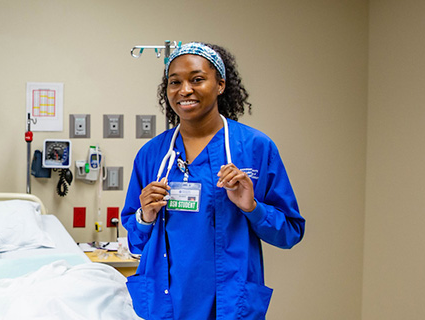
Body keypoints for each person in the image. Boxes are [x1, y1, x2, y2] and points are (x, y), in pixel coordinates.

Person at [121, 42, 305, 319]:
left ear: (220, 84)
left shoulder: (255, 148)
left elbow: (289, 233)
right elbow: (135, 242)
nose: (184, 90)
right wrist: (145, 216)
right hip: (166, 301)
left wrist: (252, 207)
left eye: (197, 79)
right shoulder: (153, 155)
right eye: (175, 82)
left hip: (229, 302)